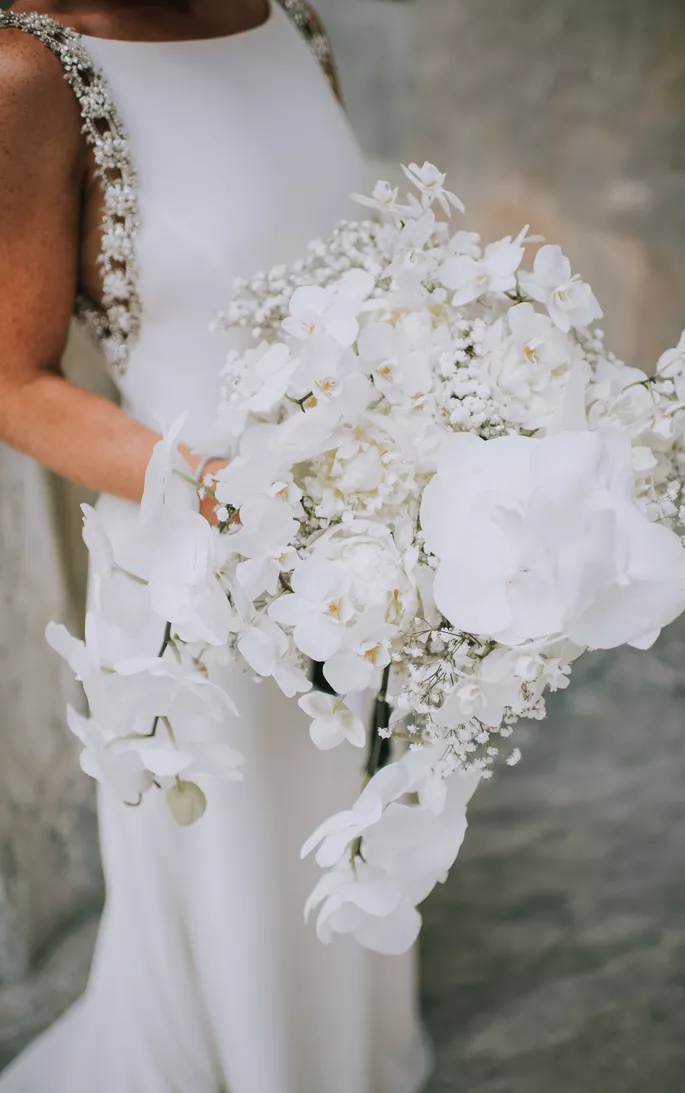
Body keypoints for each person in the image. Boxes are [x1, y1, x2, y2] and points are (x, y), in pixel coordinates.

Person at [0, 3, 431, 1090]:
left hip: (360, 551)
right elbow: (13, 382)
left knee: (353, 831)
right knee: (241, 875)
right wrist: (228, 504)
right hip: (204, 580)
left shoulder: (292, 21)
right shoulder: (30, 75)